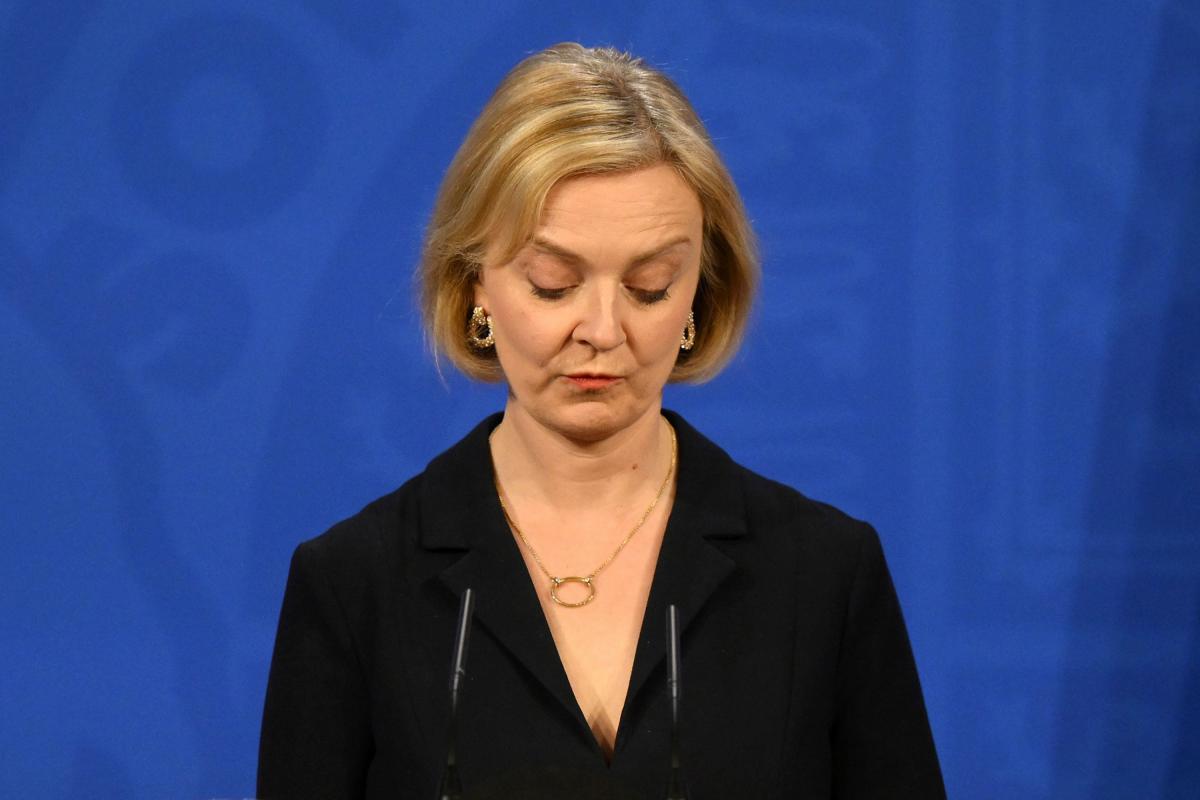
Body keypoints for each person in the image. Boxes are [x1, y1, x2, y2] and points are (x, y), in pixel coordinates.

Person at [258, 42, 945, 799]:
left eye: (650, 286)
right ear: (475, 284)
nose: (603, 330)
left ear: (700, 292)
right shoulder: (353, 584)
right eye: (553, 283)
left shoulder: (824, 574)